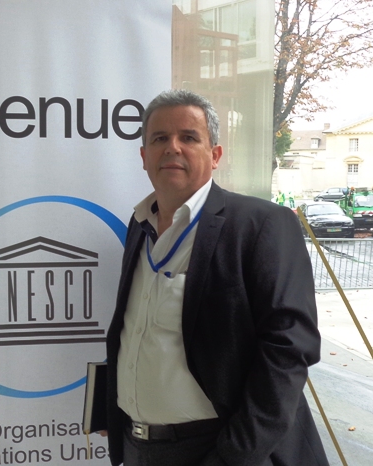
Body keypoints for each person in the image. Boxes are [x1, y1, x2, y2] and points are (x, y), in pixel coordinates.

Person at [104, 90, 328, 466]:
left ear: (215, 155)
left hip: (220, 449)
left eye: (189, 137)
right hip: (136, 446)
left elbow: (288, 351)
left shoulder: (261, 224)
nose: (172, 147)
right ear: (144, 156)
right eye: (159, 138)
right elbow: (137, 333)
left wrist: (232, 457)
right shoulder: (139, 225)